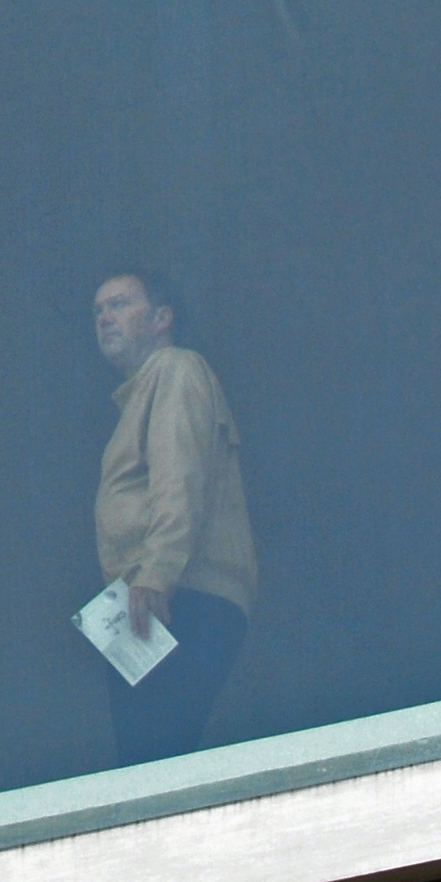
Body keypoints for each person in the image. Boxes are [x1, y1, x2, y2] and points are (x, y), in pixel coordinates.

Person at [91, 268, 257, 766]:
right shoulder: (142, 394)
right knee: (146, 762)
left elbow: (177, 477)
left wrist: (156, 575)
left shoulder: (175, 370)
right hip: (151, 600)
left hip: (178, 596)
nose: (104, 318)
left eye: (118, 304)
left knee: (152, 763)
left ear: (163, 317)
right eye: (97, 311)